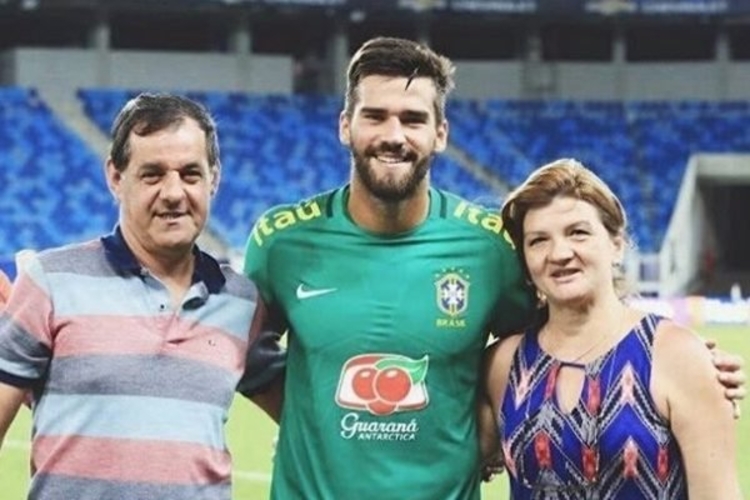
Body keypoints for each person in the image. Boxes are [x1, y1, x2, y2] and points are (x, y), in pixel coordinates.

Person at [243, 37, 745, 499]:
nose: (394, 135)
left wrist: (679, 356)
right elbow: (240, 352)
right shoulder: (282, 240)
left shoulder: (488, 247)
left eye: (413, 119)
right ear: (344, 125)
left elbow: (563, 330)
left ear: (440, 134)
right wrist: (316, 426)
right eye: (375, 115)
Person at [0, 93, 284, 500]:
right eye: (152, 174)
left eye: (190, 174)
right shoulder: (52, 281)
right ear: (115, 177)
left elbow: (305, 419)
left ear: (214, 179)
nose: (174, 192)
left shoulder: (242, 303)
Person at [481, 159, 741, 499]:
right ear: (526, 263)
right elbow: (443, 462)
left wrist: (700, 374)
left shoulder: (675, 355)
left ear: (616, 244)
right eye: (538, 241)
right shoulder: (504, 364)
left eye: (578, 232)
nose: (559, 253)